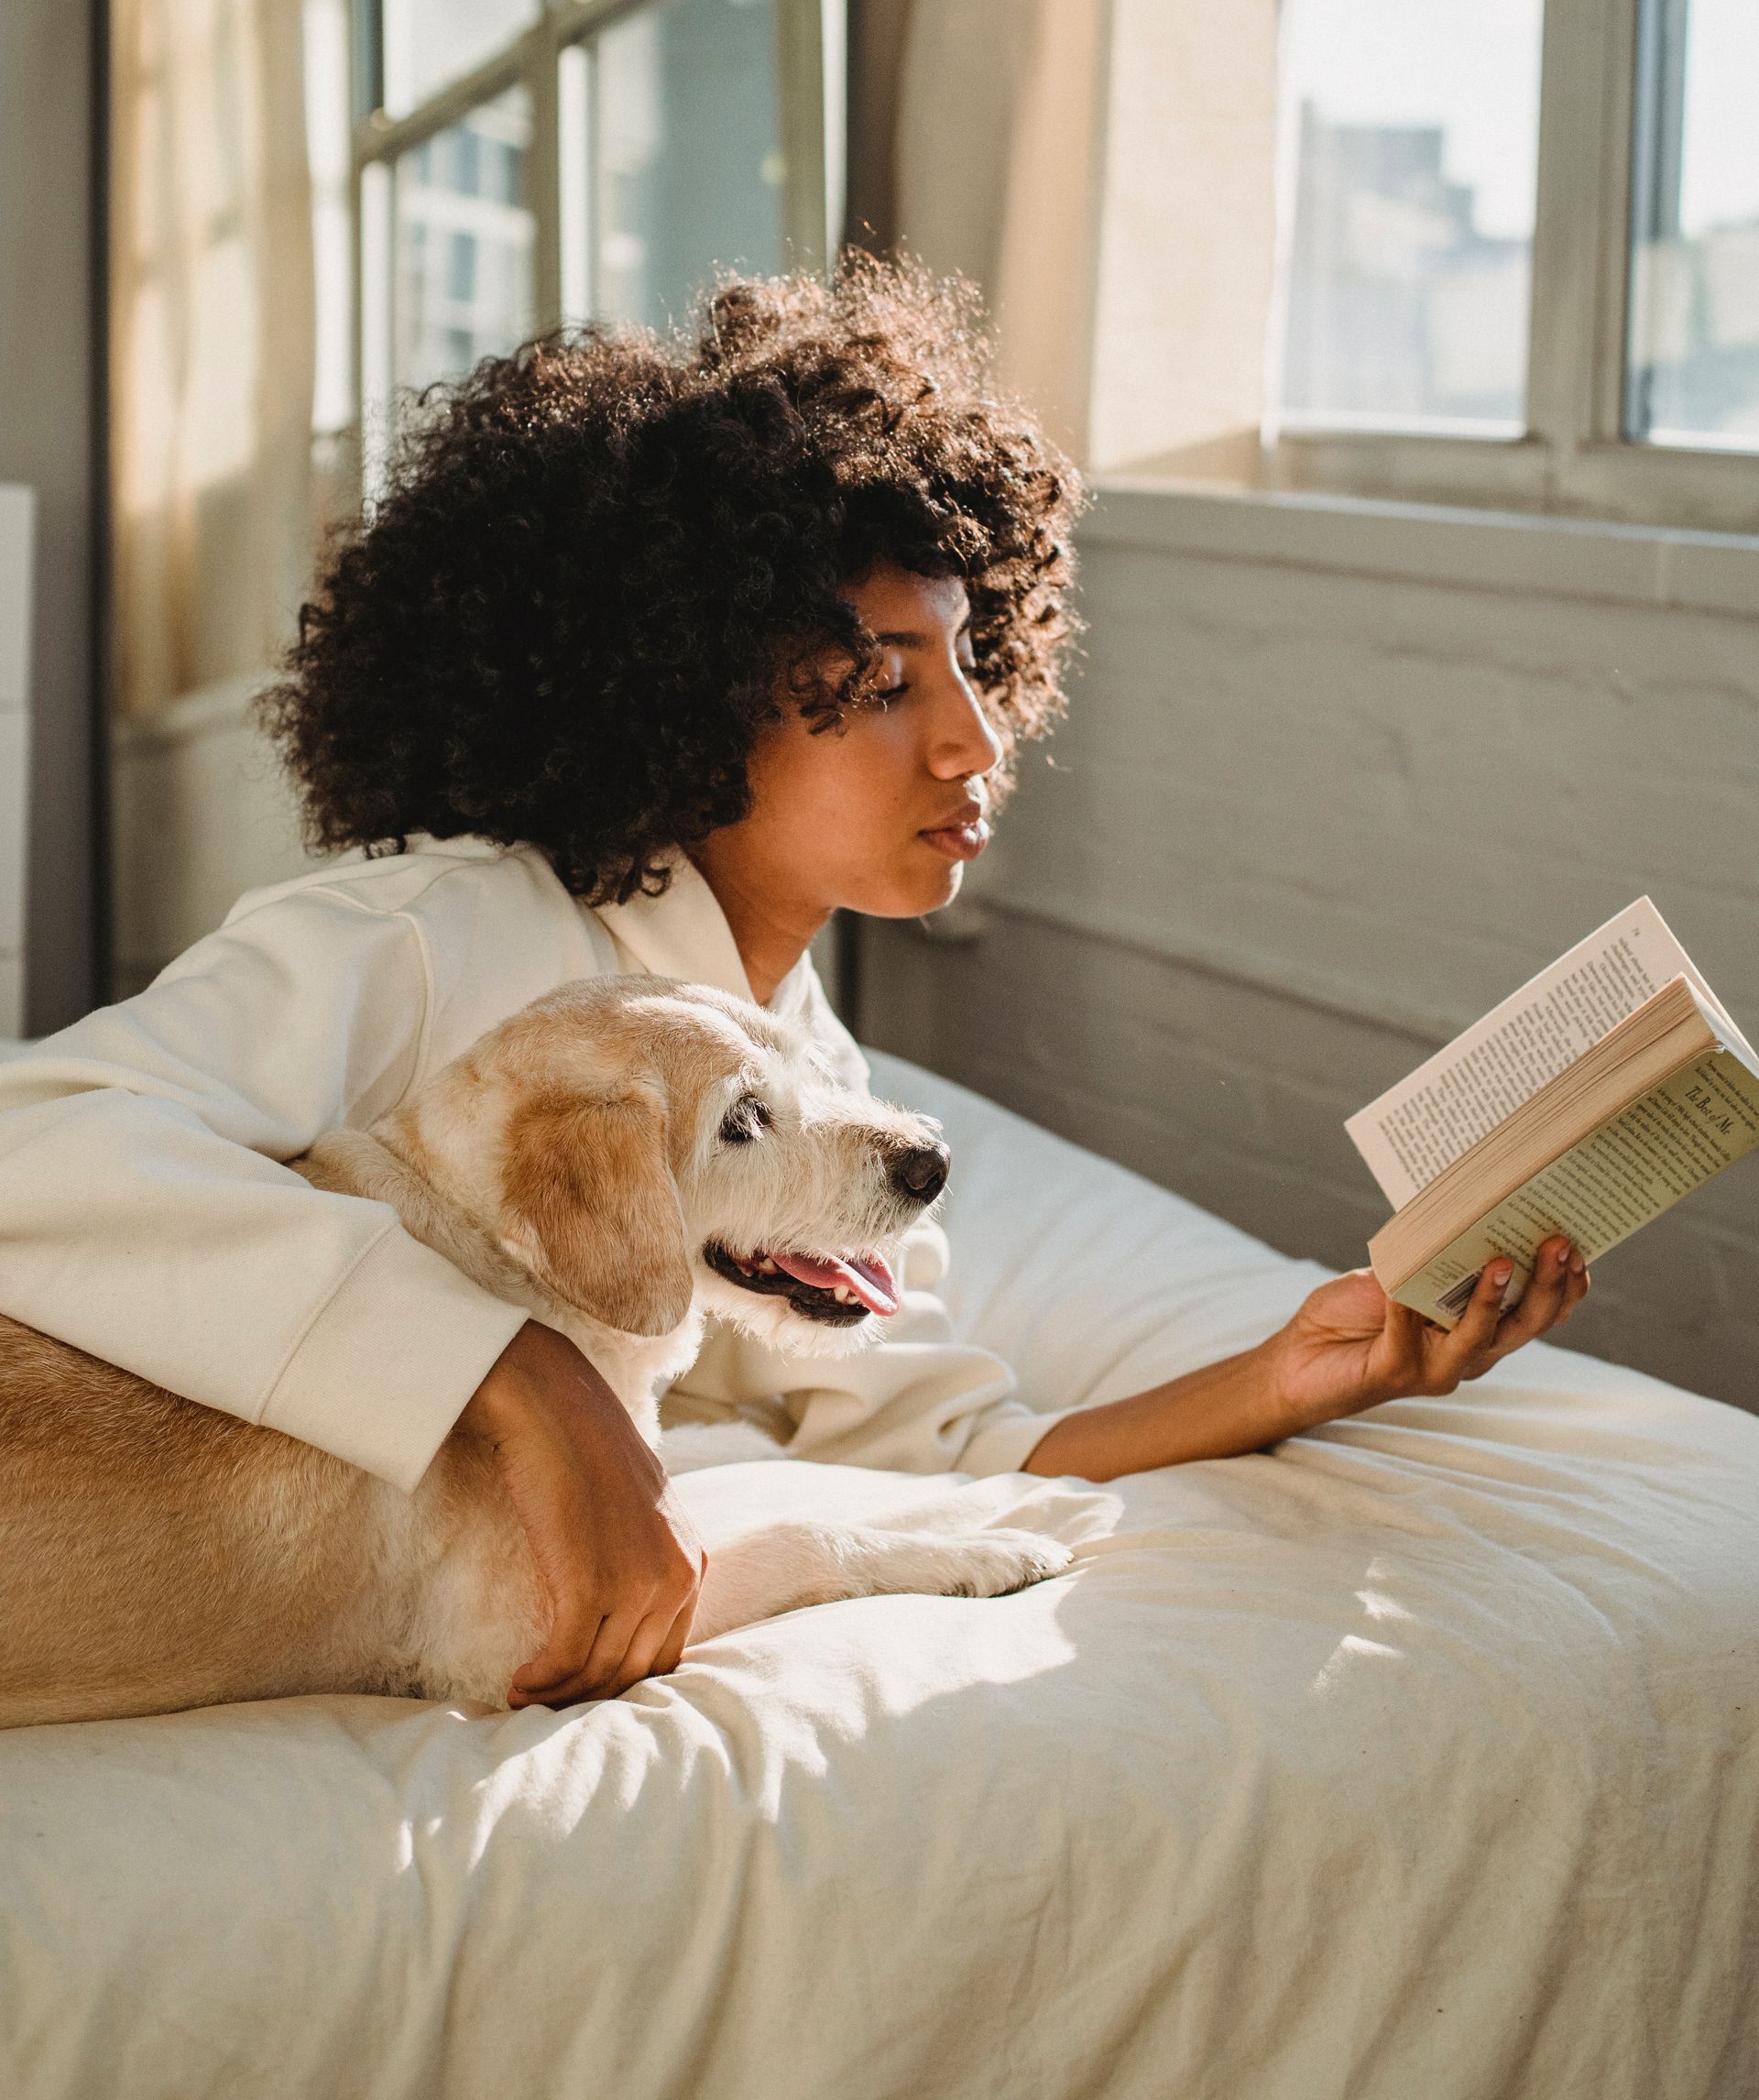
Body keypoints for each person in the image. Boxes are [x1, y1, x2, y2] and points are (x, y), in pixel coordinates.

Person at [0, 259, 1590, 1710]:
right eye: (885, 682)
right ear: (682, 700)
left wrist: (1293, 1379)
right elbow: (41, 1146)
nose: (973, 738)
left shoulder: (794, 1056)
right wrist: (511, 1374)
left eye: (972, 661)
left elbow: (934, 1439)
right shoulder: (435, 935)